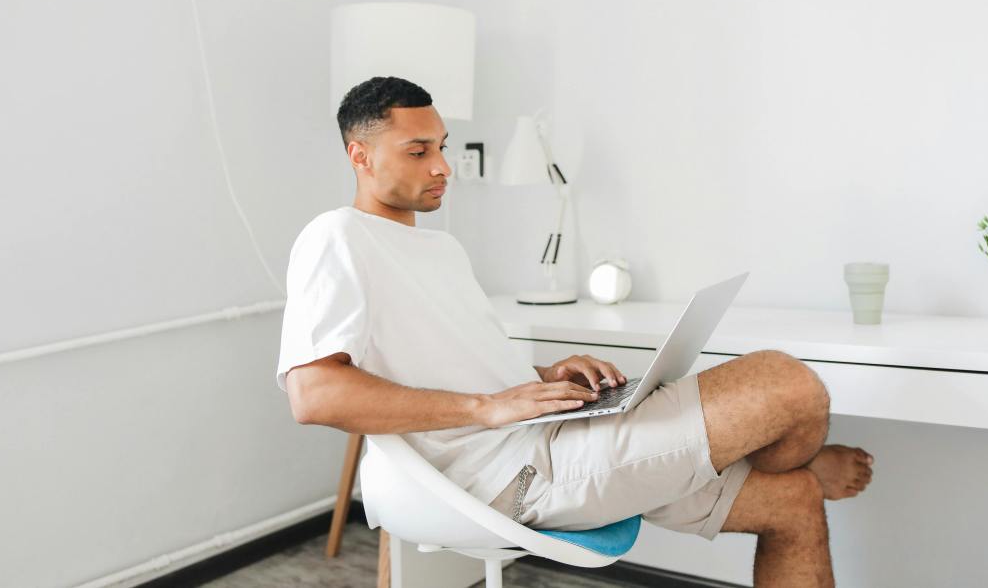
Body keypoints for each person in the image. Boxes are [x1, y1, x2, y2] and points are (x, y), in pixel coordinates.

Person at [277, 75, 874, 588]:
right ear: (360, 156)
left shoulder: (439, 248)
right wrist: (486, 406)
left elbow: (454, 363)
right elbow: (315, 394)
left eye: (442, 146)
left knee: (794, 503)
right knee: (786, 382)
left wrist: (541, 378)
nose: (440, 165)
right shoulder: (338, 237)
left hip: (553, 434)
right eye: (417, 151)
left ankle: (788, 470)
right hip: (513, 474)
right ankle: (803, 458)